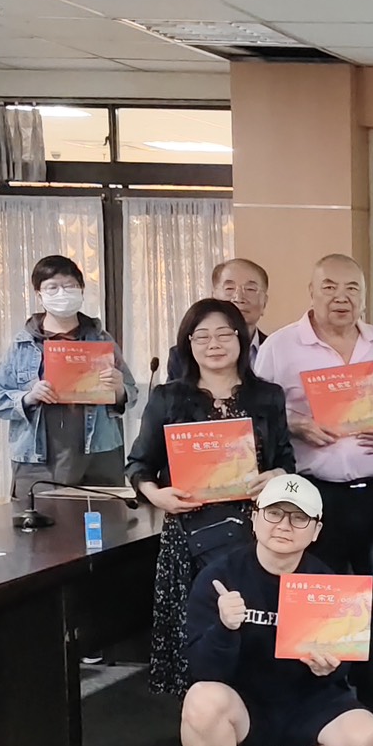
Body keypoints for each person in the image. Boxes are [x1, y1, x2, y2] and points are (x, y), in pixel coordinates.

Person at [177, 474, 373, 746]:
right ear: (255, 517)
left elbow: (343, 667)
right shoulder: (219, 577)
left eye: (299, 518)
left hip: (306, 701)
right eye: (274, 513)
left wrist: (329, 667)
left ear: (316, 531)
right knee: (201, 699)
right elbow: (203, 670)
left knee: (367, 740)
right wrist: (225, 627)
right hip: (244, 704)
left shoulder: (329, 584)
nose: (284, 526)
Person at [126, 298, 294, 696]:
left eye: (223, 334)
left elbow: (287, 461)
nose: (213, 344)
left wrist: (276, 475)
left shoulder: (268, 396)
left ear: (241, 338)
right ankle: (205, 714)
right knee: (204, 632)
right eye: (201, 336)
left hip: (256, 533)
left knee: (255, 625)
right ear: (188, 343)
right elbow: (138, 465)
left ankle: (261, 713)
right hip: (189, 532)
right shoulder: (168, 397)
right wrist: (158, 496)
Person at [252, 254, 373, 575]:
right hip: (314, 492)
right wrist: (295, 425)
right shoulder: (280, 347)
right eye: (329, 287)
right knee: (323, 588)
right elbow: (254, 415)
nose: (341, 297)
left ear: (363, 296)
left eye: (352, 288)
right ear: (311, 291)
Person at [0, 254, 138, 504]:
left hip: (99, 456)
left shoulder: (101, 339)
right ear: (39, 295)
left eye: (70, 285)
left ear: (81, 290)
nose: (62, 293)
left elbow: (131, 393)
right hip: (37, 460)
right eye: (52, 287)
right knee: (38, 526)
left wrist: (119, 390)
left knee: (103, 524)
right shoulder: (23, 344)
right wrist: (27, 397)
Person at [167, 258, 271, 379]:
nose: (239, 298)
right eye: (229, 288)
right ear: (213, 297)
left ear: (264, 303)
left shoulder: (277, 350)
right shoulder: (184, 354)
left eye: (250, 289)